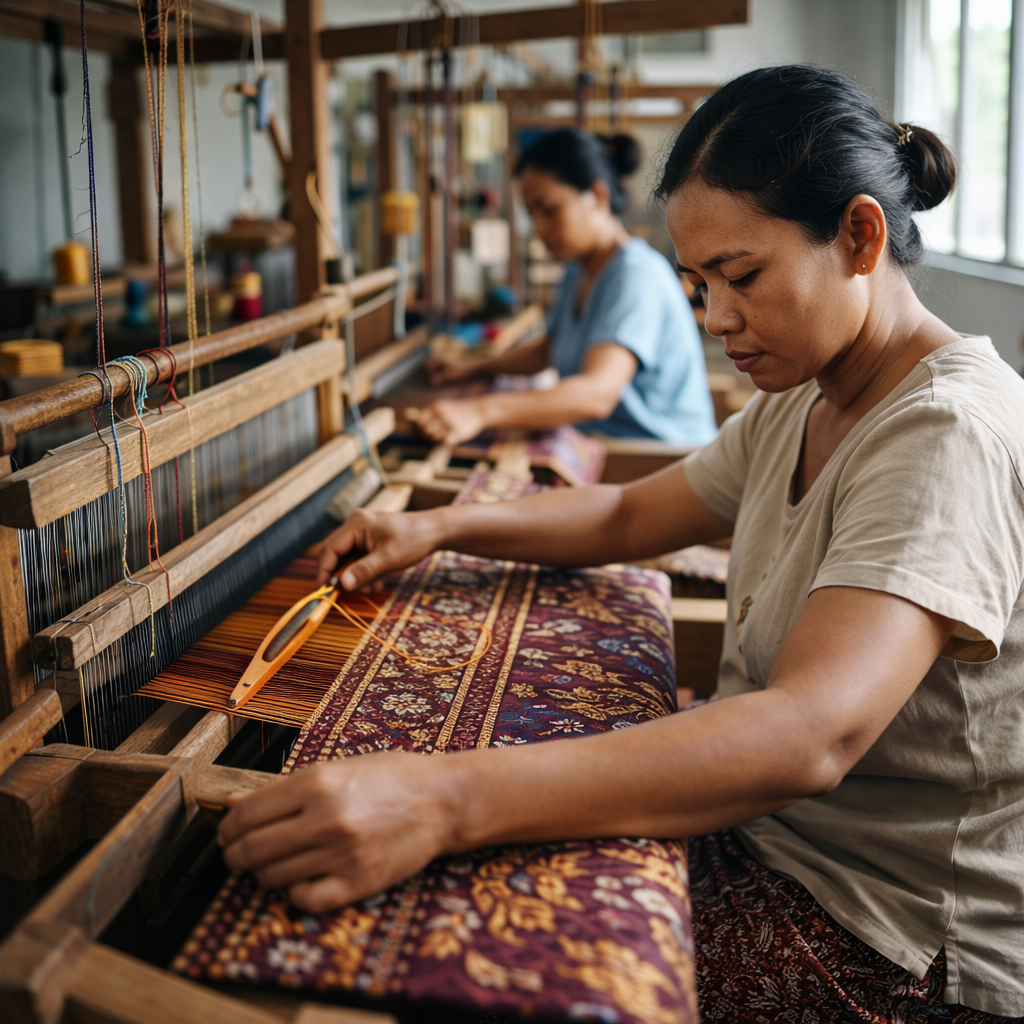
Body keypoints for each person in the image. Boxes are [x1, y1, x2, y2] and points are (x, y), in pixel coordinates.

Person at [218, 66, 1024, 1022]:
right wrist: (437, 526)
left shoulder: (943, 432)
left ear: (859, 236)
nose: (715, 318)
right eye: (697, 284)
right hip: (780, 840)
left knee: (479, 965)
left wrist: (442, 800)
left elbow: (810, 734)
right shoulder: (808, 397)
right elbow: (625, 518)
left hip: (888, 928)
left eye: (743, 277)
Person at [416, 127, 718, 447]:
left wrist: (479, 411)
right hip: (609, 444)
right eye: (531, 214)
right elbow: (549, 349)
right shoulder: (578, 270)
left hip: (662, 456)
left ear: (597, 196)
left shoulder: (635, 276)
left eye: (549, 209)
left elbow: (596, 394)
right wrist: (473, 368)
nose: (539, 228)